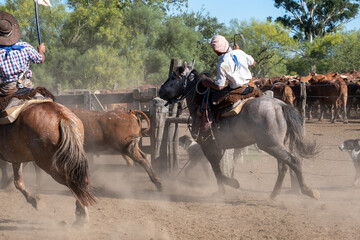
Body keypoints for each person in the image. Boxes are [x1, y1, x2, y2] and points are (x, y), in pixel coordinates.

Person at [0, 11, 46, 97]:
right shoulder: (25, 46)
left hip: (8, 89)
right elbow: (40, 59)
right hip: (26, 85)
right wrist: (41, 51)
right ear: (12, 31)